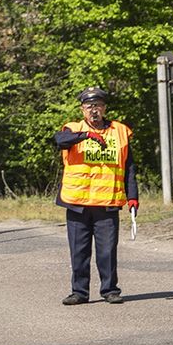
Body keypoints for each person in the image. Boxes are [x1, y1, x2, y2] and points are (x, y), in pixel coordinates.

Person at [53, 86, 138, 305]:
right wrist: (87, 135)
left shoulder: (119, 131)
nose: (94, 111)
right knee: (79, 252)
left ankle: (110, 290)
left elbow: (129, 167)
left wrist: (133, 197)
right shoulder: (72, 128)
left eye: (98, 106)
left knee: (107, 251)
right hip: (77, 203)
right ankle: (79, 292)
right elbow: (60, 140)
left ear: (104, 108)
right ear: (82, 109)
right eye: (89, 106)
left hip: (107, 202)